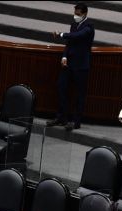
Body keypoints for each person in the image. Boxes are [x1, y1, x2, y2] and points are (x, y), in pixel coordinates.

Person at [47, 3, 95, 131]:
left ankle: (76, 122)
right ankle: (61, 117)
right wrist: (64, 56)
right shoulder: (74, 24)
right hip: (68, 64)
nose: (75, 16)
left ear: (85, 14)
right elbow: (70, 43)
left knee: (80, 95)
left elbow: (77, 36)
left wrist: (61, 34)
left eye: (78, 14)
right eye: (75, 13)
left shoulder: (89, 26)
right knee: (61, 87)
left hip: (81, 66)